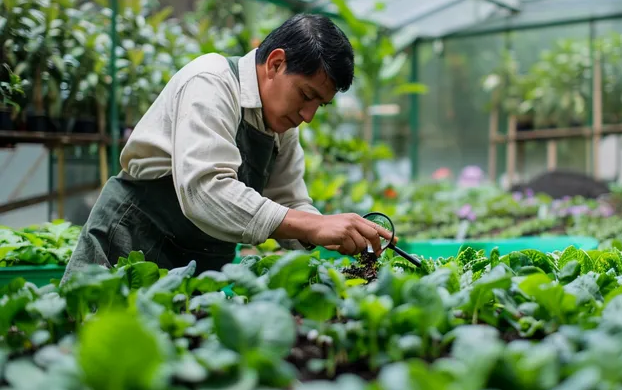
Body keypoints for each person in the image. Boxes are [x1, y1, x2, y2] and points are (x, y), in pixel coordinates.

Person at [62, 14, 394, 283]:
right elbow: (205, 191)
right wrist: (313, 226)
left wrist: (333, 232)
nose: (307, 116)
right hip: (130, 246)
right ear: (276, 63)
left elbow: (289, 201)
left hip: (198, 265)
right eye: (306, 96)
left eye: (319, 106)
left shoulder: (281, 125)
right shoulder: (211, 81)